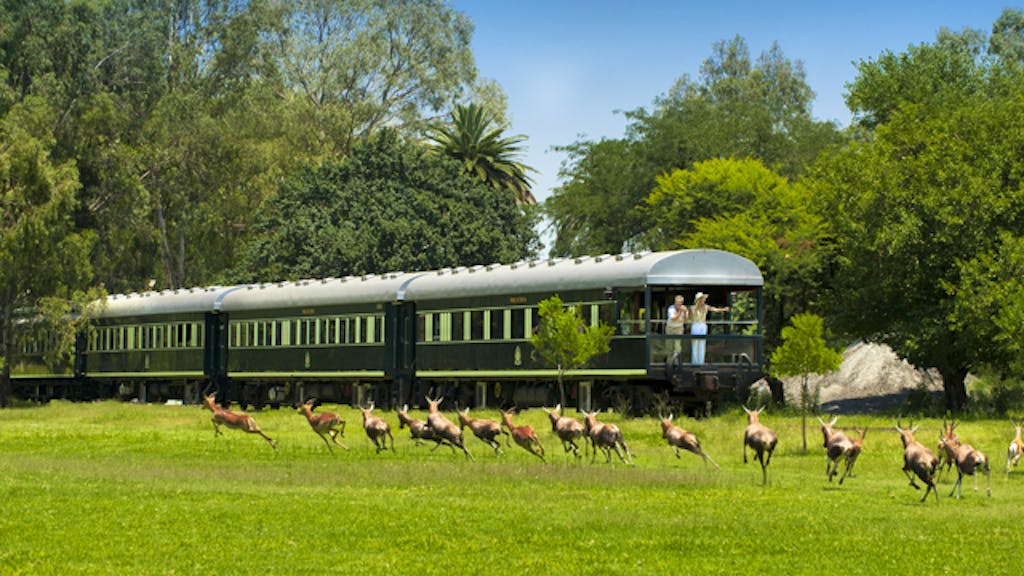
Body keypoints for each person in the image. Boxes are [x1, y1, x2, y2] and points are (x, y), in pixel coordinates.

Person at [690, 292, 729, 365]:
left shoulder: (706, 307)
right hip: (695, 325)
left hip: (703, 325)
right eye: (702, 299)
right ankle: (694, 362)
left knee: (702, 344)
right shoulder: (693, 308)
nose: (704, 300)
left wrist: (723, 309)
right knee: (695, 343)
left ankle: (700, 362)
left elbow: (715, 309)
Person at [665, 294, 688, 364]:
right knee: (669, 346)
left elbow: (686, 321)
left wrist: (685, 312)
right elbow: (673, 318)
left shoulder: (685, 308)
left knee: (677, 346)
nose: (678, 304)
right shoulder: (671, 308)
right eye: (677, 302)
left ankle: (676, 363)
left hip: (679, 328)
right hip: (670, 328)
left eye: (680, 302)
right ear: (675, 302)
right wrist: (680, 311)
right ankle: (669, 363)